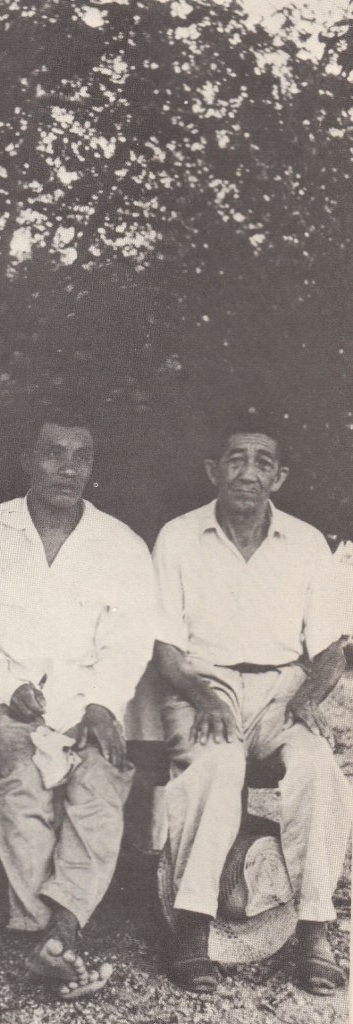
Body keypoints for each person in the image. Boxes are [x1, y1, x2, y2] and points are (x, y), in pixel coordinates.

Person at [0, 407, 157, 1001]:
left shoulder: (121, 544)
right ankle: (53, 933)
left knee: (100, 777)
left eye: (81, 456)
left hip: (86, 696)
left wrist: (102, 704)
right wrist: (3, 688)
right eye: (53, 453)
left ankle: (59, 931)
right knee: (18, 772)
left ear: (93, 467)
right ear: (27, 461)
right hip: (1, 689)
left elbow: (129, 642)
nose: (68, 468)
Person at [152, 417, 353, 996]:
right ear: (213, 471)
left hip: (282, 689)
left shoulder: (308, 543)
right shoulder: (178, 537)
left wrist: (308, 696)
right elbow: (166, 650)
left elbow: (332, 650)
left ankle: (314, 927)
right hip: (202, 682)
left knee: (318, 766)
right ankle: (193, 925)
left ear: (279, 477)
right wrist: (202, 696)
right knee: (217, 764)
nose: (248, 472)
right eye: (236, 459)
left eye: (263, 462)